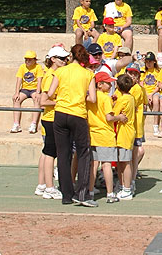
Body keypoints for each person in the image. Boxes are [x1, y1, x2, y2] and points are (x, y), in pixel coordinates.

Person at [48, 44, 97, 207]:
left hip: (60, 113)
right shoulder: (88, 74)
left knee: (63, 154)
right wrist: (81, 96)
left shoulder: (61, 71)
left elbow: (50, 93)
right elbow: (93, 98)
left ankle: (66, 194)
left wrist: (62, 96)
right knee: (83, 153)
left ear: (71, 56)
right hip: (78, 114)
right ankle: (82, 193)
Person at [35, 45, 69, 200]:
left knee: (46, 152)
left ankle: (42, 184)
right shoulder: (50, 76)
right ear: (53, 59)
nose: (64, 61)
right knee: (51, 153)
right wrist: (60, 102)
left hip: (50, 118)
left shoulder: (53, 74)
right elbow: (43, 101)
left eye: (65, 58)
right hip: (51, 118)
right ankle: (49, 187)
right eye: (61, 58)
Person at [87, 71, 119, 203]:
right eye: (108, 83)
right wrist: (119, 117)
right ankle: (110, 193)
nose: (110, 85)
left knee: (93, 164)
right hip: (105, 134)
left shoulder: (91, 97)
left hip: (93, 133)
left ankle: (90, 191)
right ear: (100, 84)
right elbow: (109, 117)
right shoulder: (105, 98)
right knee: (106, 165)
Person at [112, 73, 136, 201]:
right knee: (123, 162)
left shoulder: (123, 100)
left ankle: (127, 189)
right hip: (128, 132)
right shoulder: (130, 98)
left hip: (124, 133)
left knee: (125, 162)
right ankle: (123, 186)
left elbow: (113, 114)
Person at [123, 63, 147, 191]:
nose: (132, 76)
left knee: (132, 156)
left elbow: (130, 103)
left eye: (135, 74)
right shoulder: (126, 88)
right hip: (130, 126)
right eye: (130, 73)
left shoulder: (136, 89)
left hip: (134, 127)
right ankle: (128, 180)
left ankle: (130, 181)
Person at [11, 50, 44, 134]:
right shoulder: (22, 67)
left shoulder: (38, 67)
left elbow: (39, 80)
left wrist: (38, 92)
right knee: (16, 100)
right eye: (26, 59)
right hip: (25, 89)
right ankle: (16, 124)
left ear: (34, 60)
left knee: (37, 100)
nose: (27, 61)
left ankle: (33, 124)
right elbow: (19, 80)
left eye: (30, 59)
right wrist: (17, 92)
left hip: (34, 89)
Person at [142, 52, 162, 136]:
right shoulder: (143, 70)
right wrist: (146, 94)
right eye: (146, 61)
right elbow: (141, 84)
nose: (148, 63)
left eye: (150, 61)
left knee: (156, 100)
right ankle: (140, 125)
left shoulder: (158, 71)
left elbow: (158, 86)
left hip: (154, 92)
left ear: (154, 61)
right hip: (144, 91)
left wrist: (151, 94)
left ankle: (155, 126)